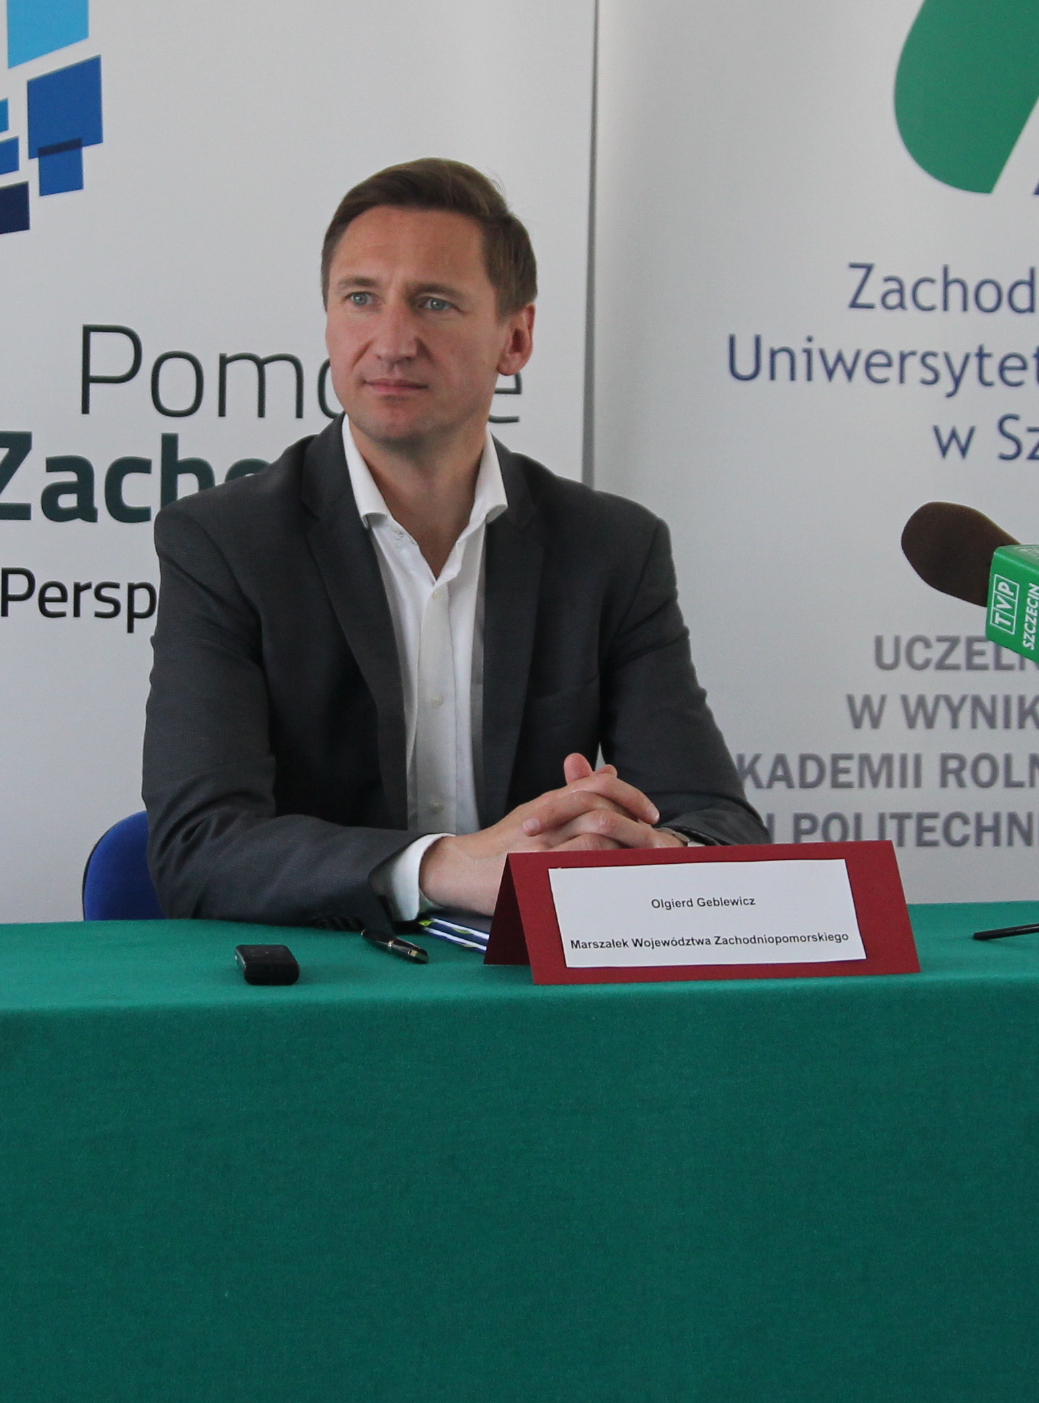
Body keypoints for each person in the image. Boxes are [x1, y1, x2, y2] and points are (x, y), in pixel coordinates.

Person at [141, 158, 762, 926]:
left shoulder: (611, 550)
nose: (392, 342)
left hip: (529, 979)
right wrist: (446, 868)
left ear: (516, 338)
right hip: (322, 979)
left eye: (434, 303)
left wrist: (641, 849)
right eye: (361, 298)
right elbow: (197, 850)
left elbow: (718, 823)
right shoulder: (225, 543)